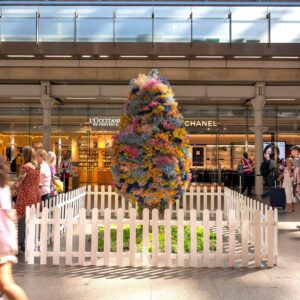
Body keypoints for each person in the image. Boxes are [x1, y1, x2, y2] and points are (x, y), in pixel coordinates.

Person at [0, 155, 28, 300]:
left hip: (1, 239)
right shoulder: (3, 184)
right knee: (6, 284)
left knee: (6, 284)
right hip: (4, 238)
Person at [14, 146, 40, 251]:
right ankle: (27, 242)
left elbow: (18, 183)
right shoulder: (37, 167)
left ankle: (18, 242)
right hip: (34, 195)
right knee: (29, 220)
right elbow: (37, 184)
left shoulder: (25, 167)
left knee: (18, 219)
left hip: (25, 195)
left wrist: (13, 185)